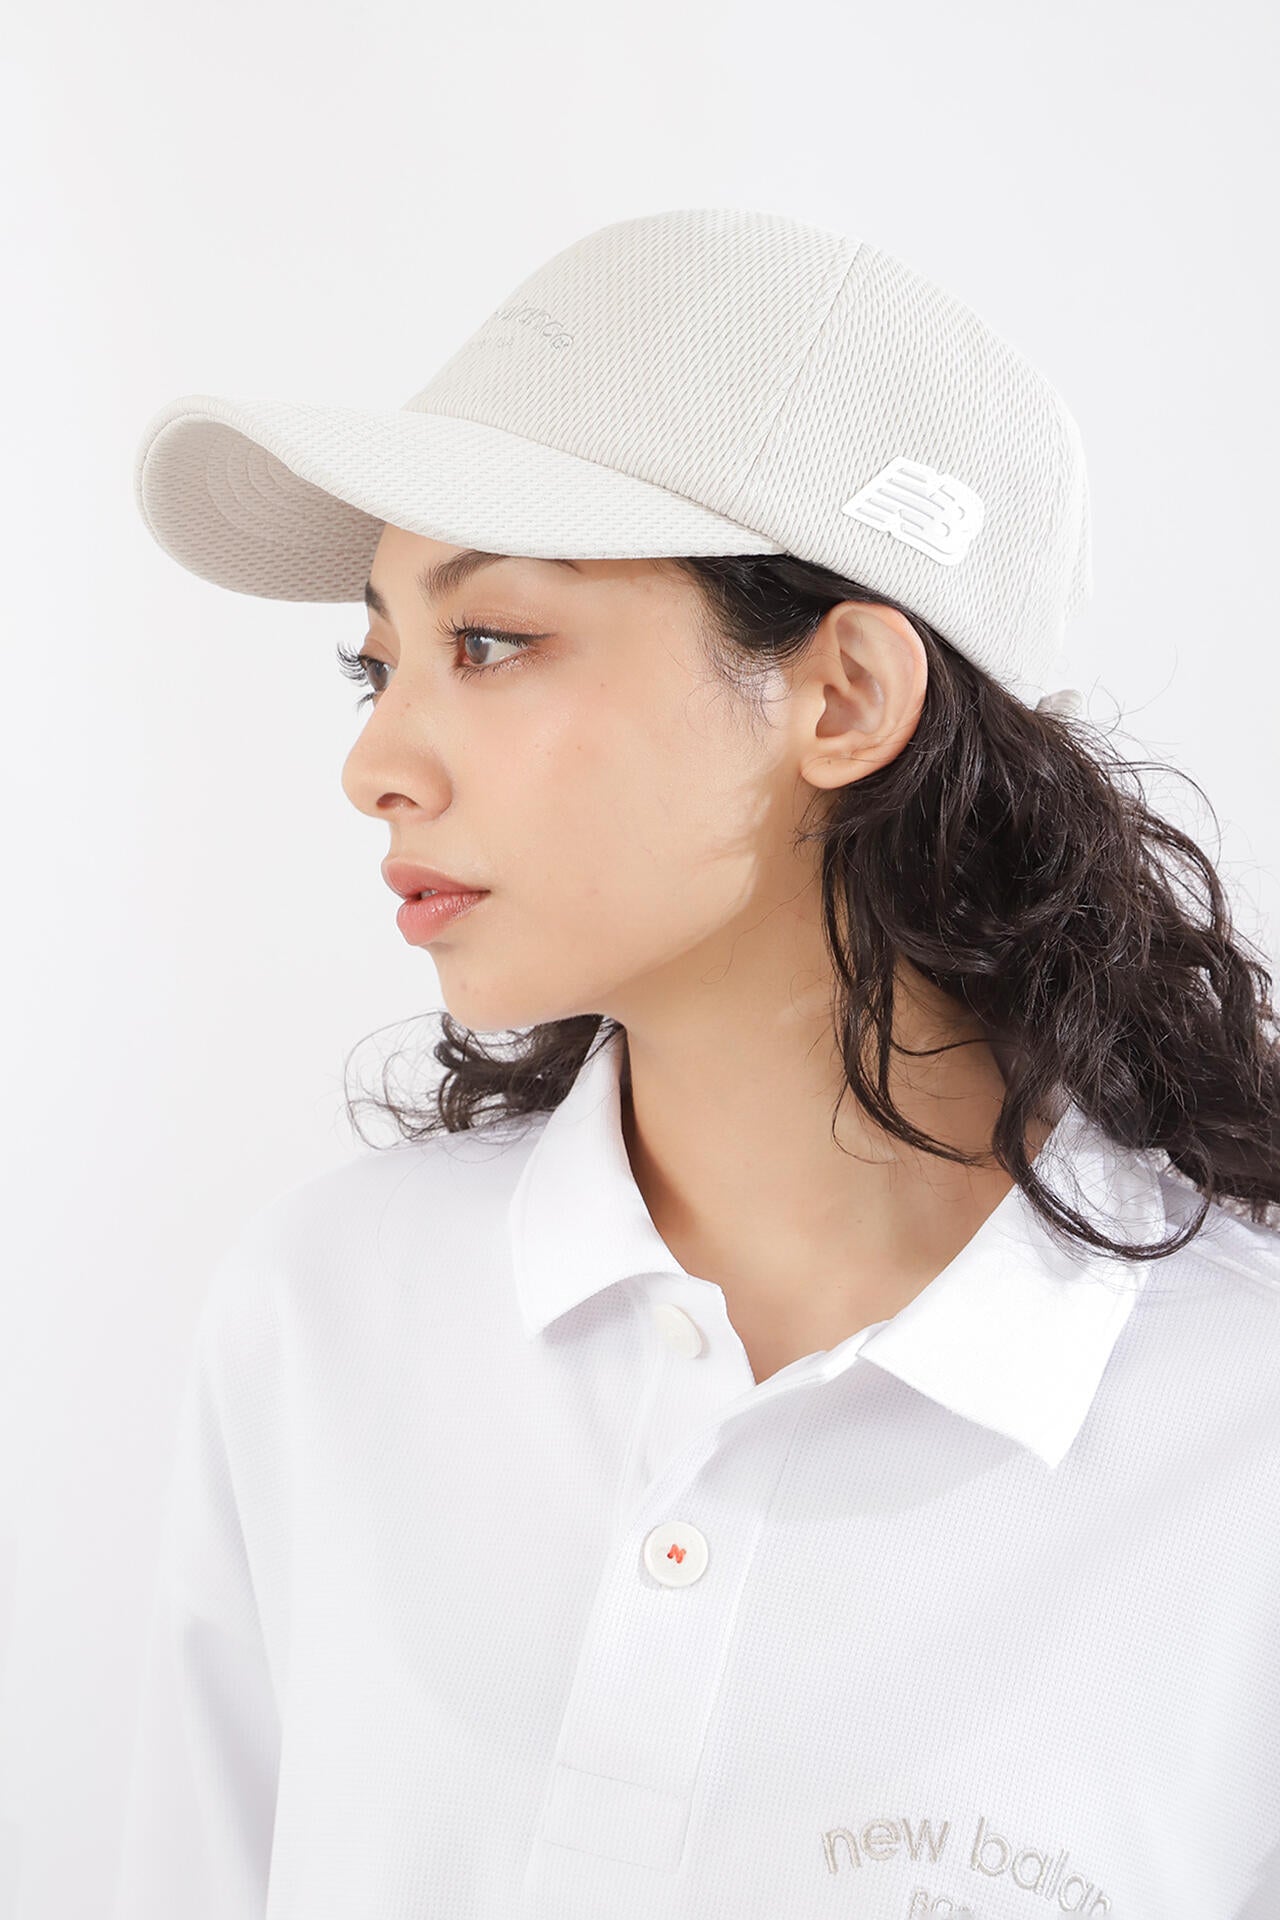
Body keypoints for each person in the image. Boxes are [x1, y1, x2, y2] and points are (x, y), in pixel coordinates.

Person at [113, 208, 1280, 1920]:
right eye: (376, 664)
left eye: (488, 642)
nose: (376, 763)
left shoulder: (1240, 1442)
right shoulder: (324, 1316)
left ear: (845, 695)